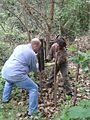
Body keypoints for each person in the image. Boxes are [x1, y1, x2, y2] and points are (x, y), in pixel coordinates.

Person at [1, 38, 41, 116]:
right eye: (38, 48)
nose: (38, 50)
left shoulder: (20, 46)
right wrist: (38, 69)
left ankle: (5, 100)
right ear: (35, 45)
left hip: (6, 70)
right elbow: (33, 68)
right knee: (34, 88)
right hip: (16, 74)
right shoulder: (31, 53)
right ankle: (32, 112)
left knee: (9, 81)